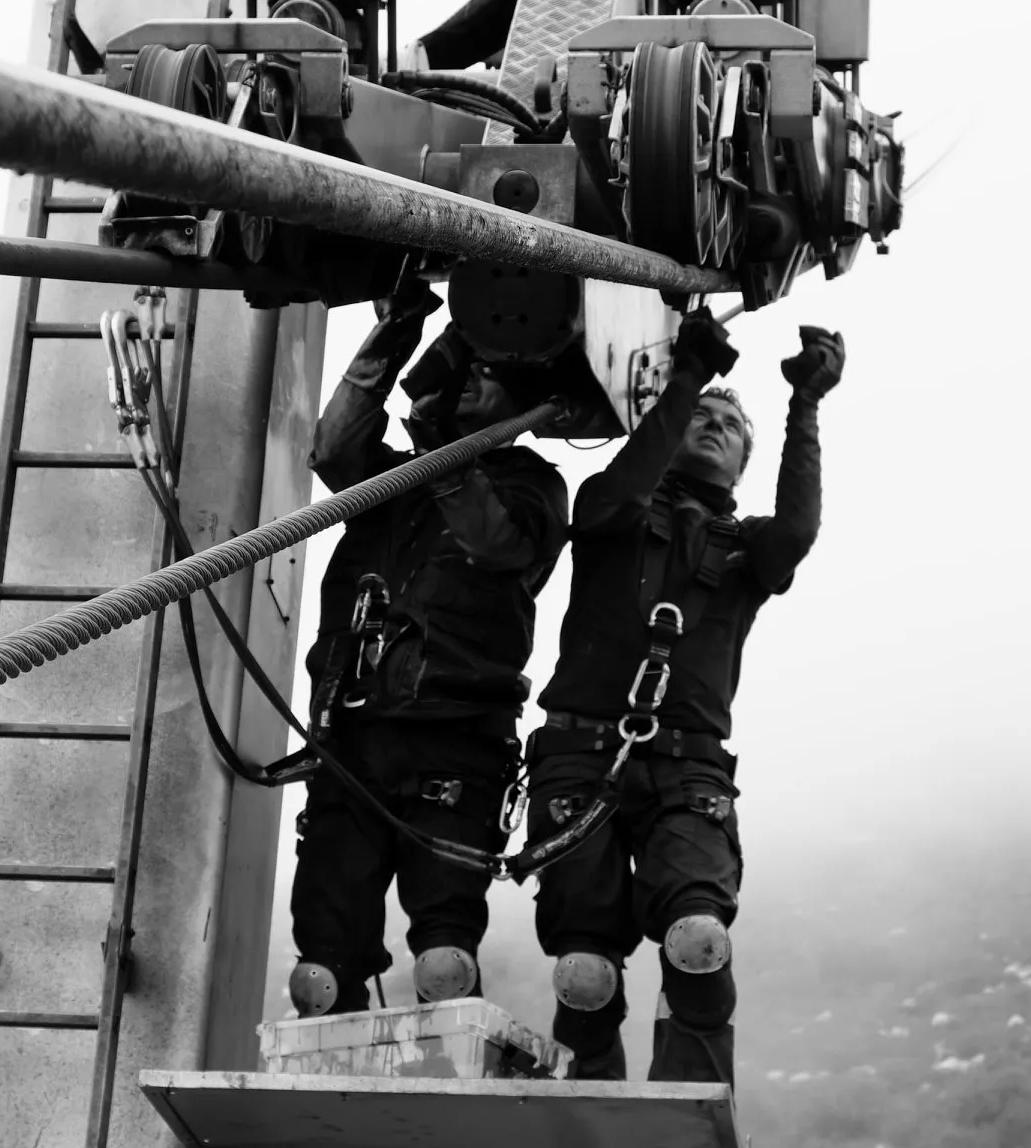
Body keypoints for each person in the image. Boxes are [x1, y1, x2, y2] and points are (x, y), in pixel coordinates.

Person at [525, 309, 845, 1082]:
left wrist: (805, 404)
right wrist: (687, 380)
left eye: (729, 426)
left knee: (698, 937)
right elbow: (623, 489)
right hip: (581, 757)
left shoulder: (749, 552)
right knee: (585, 969)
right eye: (699, 418)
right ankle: (591, 1100)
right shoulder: (612, 511)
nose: (712, 427)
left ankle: (684, 1103)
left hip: (689, 770)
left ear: (744, 462)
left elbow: (798, 528)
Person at [285, 271, 570, 1017]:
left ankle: (445, 1098)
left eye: (489, 376)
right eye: (465, 374)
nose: (471, 383)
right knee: (319, 969)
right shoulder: (394, 479)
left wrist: (443, 447)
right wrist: (400, 327)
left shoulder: (532, 486)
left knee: (445, 960)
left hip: (455, 747)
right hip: (353, 737)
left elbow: (492, 538)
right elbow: (334, 447)